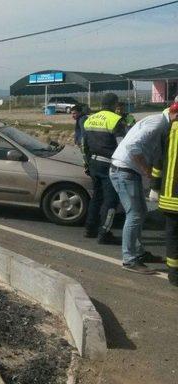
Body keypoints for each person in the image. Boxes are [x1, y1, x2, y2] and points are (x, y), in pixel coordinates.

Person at [110, 108, 176, 273]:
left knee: (140, 213)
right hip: (124, 171)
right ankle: (130, 259)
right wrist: (147, 170)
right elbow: (133, 147)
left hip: (127, 171)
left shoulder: (159, 122)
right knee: (135, 215)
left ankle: (138, 253)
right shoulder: (158, 124)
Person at [82, 93, 127, 244]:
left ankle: (90, 229)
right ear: (115, 104)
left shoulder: (90, 119)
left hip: (94, 162)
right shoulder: (116, 120)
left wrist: (87, 163)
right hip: (109, 164)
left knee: (97, 196)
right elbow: (122, 146)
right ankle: (104, 232)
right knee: (111, 200)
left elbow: (84, 145)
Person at [150, 103, 178, 286]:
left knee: (173, 235)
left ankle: (174, 275)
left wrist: (154, 187)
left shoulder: (168, 131)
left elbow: (158, 163)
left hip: (171, 197)